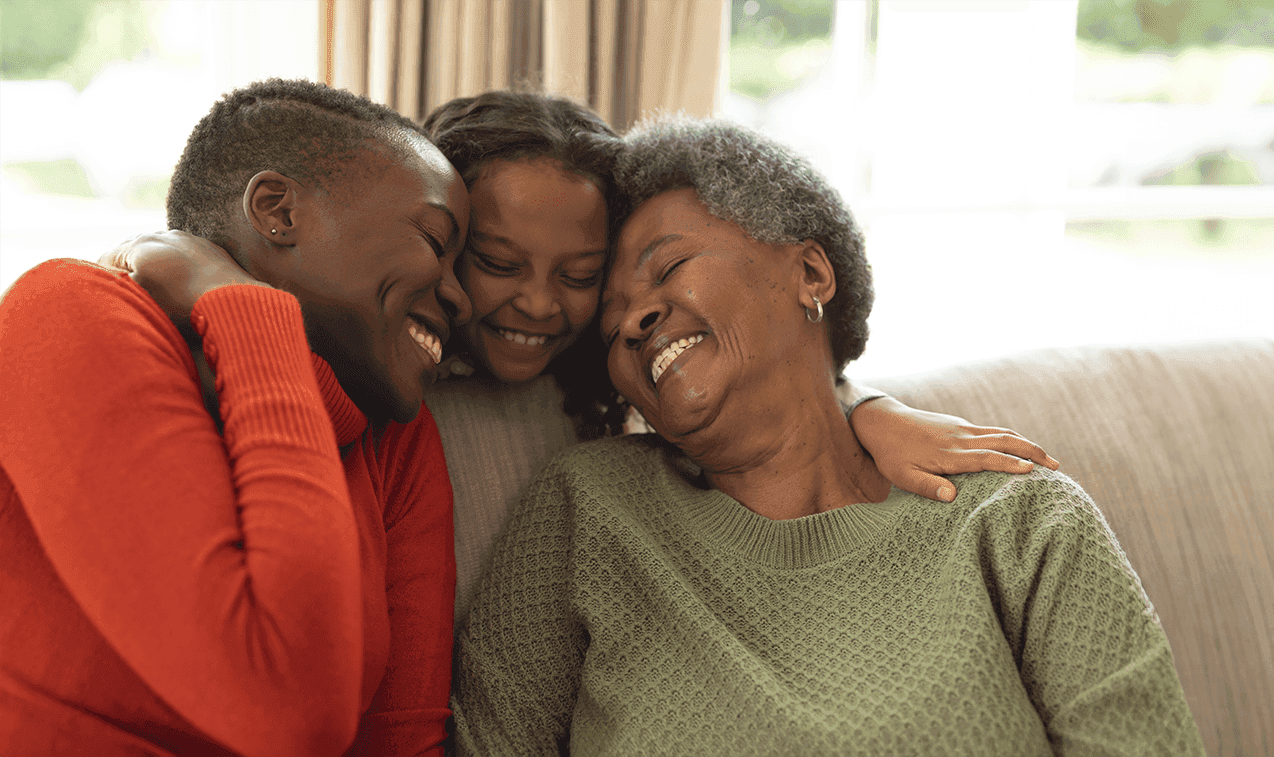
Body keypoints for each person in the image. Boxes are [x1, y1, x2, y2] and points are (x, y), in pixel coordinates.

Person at [452, 118, 1204, 754]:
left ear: (811, 272)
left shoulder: (1019, 519)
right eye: (612, 317)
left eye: (669, 267)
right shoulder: (588, 508)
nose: (633, 319)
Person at [414, 91, 1061, 625]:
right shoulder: (399, 356)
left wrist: (863, 410)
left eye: (582, 276)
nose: (538, 302)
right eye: (497, 264)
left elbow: (756, 370)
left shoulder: (599, 364)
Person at [0, 79, 465, 755]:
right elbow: (284, 707)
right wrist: (245, 312)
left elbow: (402, 743)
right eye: (434, 238)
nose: (461, 297)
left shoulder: (397, 439)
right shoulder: (68, 314)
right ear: (278, 210)